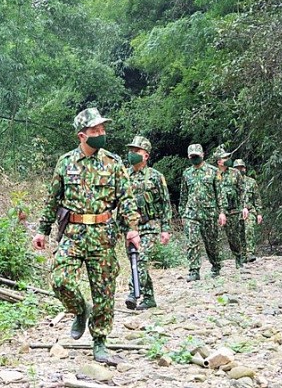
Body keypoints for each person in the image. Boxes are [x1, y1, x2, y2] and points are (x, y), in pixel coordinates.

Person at [32, 107, 141, 364]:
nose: (101, 134)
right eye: (95, 130)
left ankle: (100, 342)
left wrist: (132, 228)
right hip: (73, 232)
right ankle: (80, 311)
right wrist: (42, 230)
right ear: (82, 135)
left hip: (103, 233)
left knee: (104, 290)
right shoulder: (65, 162)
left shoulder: (113, 164)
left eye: (102, 129)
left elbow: (126, 199)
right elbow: (52, 199)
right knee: (59, 280)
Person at [123, 135, 173, 310]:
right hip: (131, 228)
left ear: (146, 155)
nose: (132, 154)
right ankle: (149, 298)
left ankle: (132, 293)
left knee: (141, 259)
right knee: (135, 261)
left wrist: (165, 229)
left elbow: (165, 203)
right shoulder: (124, 176)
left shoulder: (156, 177)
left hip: (150, 225)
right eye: (131, 151)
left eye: (136, 151)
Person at [179, 144, 226, 281]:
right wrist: (183, 213)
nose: (195, 158)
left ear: (203, 155)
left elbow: (220, 194)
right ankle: (194, 270)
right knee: (192, 242)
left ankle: (216, 266)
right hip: (191, 213)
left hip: (209, 213)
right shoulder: (187, 173)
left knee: (212, 243)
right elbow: (183, 195)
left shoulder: (213, 171)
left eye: (197, 156)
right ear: (189, 157)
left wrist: (222, 212)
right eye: (192, 156)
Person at [213, 146, 247, 268]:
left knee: (233, 237)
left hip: (232, 210)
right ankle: (216, 264)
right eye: (225, 158)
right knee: (214, 238)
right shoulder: (212, 173)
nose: (228, 159)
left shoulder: (235, 173)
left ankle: (238, 258)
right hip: (215, 211)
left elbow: (242, 190)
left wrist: (244, 206)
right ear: (219, 161)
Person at [234, 159, 263, 262]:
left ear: (244, 169)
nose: (239, 170)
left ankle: (250, 253)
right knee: (239, 233)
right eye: (237, 168)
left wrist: (259, 213)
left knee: (249, 228)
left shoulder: (251, 182)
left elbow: (257, 198)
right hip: (236, 212)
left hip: (250, 210)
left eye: (241, 167)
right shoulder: (231, 183)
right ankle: (242, 255)